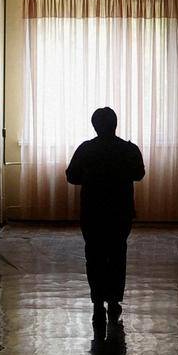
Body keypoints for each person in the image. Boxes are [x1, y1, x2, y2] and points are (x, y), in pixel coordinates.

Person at [65, 107, 145, 329]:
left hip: (92, 211)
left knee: (95, 256)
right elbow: (139, 174)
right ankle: (113, 300)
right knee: (118, 254)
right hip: (121, 211)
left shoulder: (86, 149)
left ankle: (98, 302)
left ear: (95, 126)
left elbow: (71, 176)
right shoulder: (128, 149)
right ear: (115, 124)